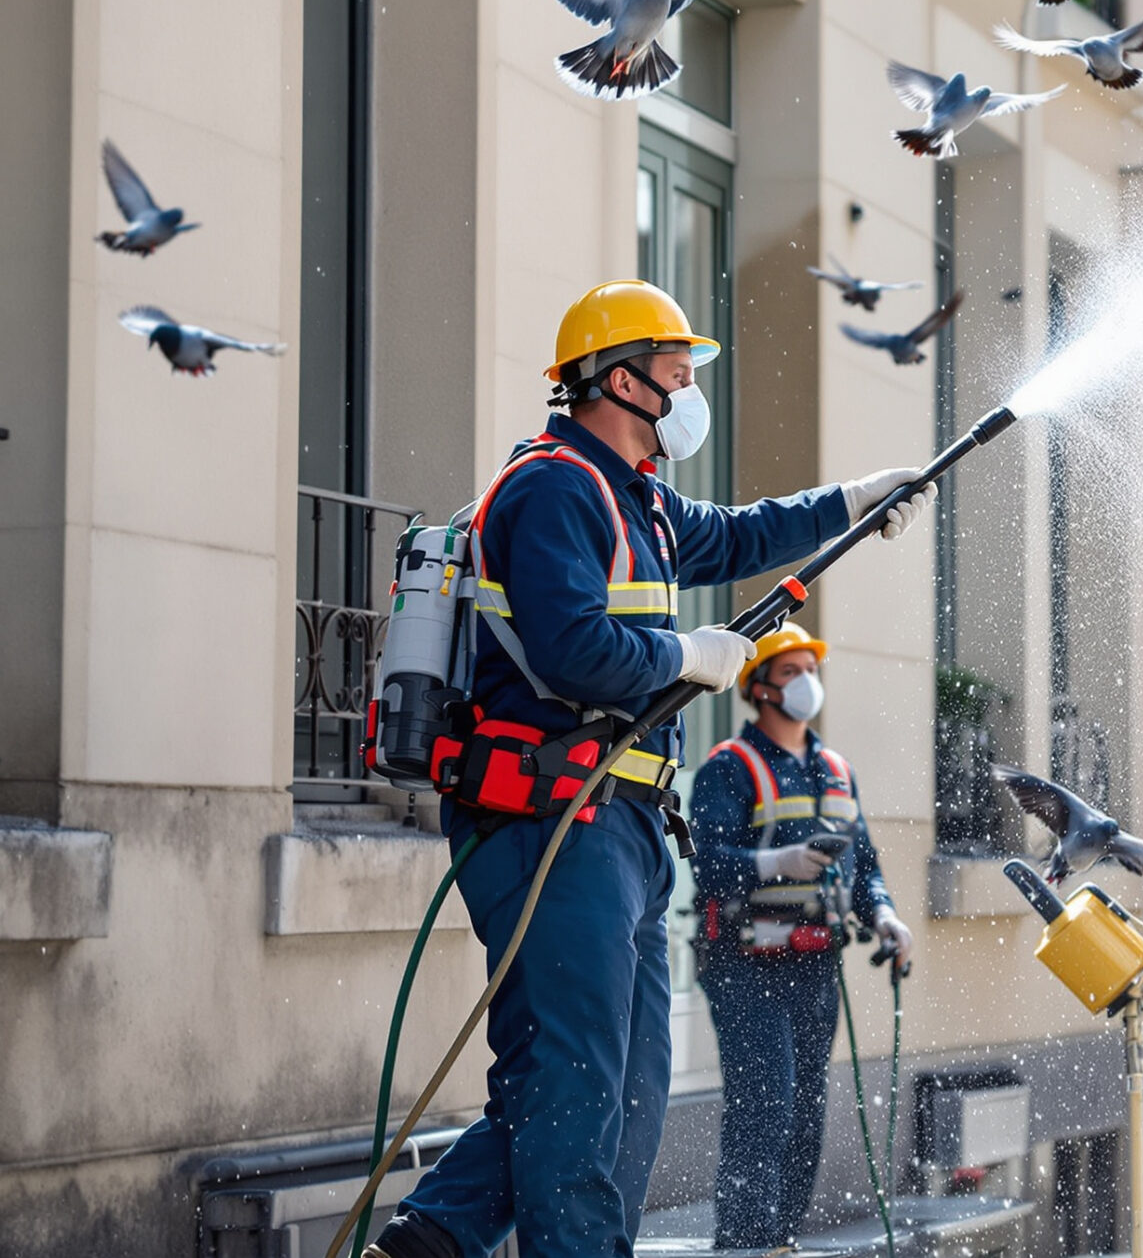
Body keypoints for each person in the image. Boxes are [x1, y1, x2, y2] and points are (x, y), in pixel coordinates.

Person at [367, 282, 933, 1258]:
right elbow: (570, 648)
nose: (689, 393)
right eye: (678, 373)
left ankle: (428, 1243)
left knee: (621, 1084)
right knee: (576, 1079)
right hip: (550, 821)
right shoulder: (554, 487)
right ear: (622, 380)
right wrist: (686, 655)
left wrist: (853, 501)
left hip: (619, 824)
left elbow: (743, 534)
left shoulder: (642, 501)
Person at [687, 623, 917, 1251]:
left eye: (809, 670)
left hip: (815, 965)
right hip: (743, 962)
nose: (805, 683)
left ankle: (781, 1240)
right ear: (758, 687)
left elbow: (864, 867)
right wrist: (776, 862)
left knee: (806, 1114)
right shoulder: (729, 767)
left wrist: (885, 916)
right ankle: (744, 1243)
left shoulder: (837, 771)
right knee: (766, 1104)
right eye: (790, 672)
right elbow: (706, 864)